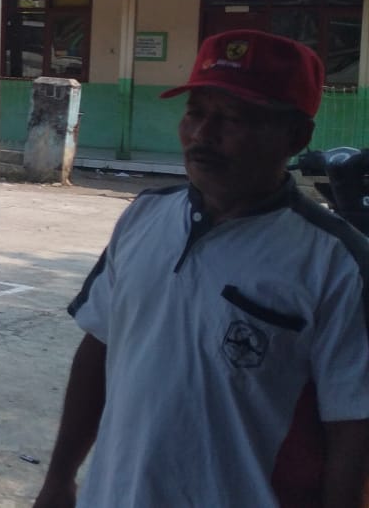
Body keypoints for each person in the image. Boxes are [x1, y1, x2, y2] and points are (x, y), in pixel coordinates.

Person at [33, 30, 369, 508]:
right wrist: (59, 478)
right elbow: (99, 345)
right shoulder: (143, 217)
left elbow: (353, 429)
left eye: (231, 118)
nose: (202, 134)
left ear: (296, 137)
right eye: (195, 112)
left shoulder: (337, 263)